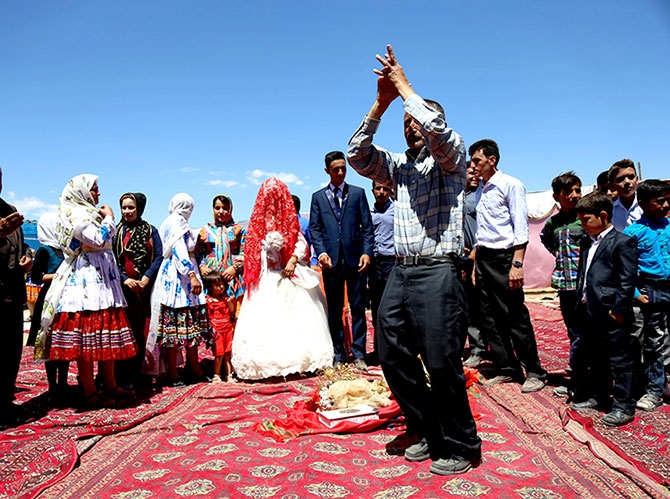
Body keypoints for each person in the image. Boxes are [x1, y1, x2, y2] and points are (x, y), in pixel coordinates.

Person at [347, 44, 481, 476]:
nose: (411, 128)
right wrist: (381, 103)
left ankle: (462, 444)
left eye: (415, 120)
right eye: (405, 124)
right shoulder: (398, 167)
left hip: (438, 271)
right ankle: (426, 427)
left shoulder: (452, 161)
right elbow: (357, 155)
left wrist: (405, 89)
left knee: (441, 360)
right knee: (390, 352)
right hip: (401, 273)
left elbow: (440, 133)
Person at [38, 174, 137, 408]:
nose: (98, 193)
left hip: (102, 281)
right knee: (87, 334)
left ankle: (110, 383)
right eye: (94, 189)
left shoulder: (90, 214)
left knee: (107, 331)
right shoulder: (76, 214)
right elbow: (96, 239)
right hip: (87, 282)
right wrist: (109, 218)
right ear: (81, 192)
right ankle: (89, 389)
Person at [232, 177, 334, 380]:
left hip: (288, 274)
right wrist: (265, 253)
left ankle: (300, 361)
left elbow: (300, 242)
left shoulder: (289, 220)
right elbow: (252, 249)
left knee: (298, 318)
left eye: (276, 196)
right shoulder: (258, 225)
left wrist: (293, 259)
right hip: (266, 278)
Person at [469, 139, 547, 393]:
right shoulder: (480, 190)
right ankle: (507, 367)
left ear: (492, 160)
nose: (473, 166)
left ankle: (534, 371)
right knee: (489, 318)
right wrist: (476, 265)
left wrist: (517, 264)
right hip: (484, 258)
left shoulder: (511, 185)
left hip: (505, 258)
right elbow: (482, 232)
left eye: (477, 160)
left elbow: (520, 228)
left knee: (515, 316)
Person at [571, 192, 638, 426]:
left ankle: (624, 405)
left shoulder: (622, 242)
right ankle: (599, 396)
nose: (583, 225)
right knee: (596, 356)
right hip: (590, 309)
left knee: (620, 360)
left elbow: (627, 280)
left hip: (610, 311)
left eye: (586, 219)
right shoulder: (587, 242)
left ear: (602, 215)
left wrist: (618, 309)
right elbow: (585, 274)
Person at [309, 151, 374, 371]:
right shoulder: (318, 197)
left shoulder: (357, 193)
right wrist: (321, 252)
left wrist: (367, 252)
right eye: (335, 169)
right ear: (327, 170)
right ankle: (338, 353)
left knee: (358, 308)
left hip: (356, 259)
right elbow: (315, 229)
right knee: (335, 309)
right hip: (331, 262)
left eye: (343, 168)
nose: (340, 172)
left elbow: (367, 227)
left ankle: (359, 354)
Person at [150, 193, 209, 385]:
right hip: (178, 279)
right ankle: (175, 373)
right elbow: (179, 250)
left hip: (176, 276)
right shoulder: (177, 222)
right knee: (175, 325)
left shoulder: (172, 221)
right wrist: (191, 274)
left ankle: (192, 368)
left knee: (186, 325)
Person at [622, 180, 670, 411]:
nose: (666, 205)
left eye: (668, 200)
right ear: (642, 203)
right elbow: (624, 268)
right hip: (650, 291)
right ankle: (654, 390)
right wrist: (635, 293)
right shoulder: (633, 233)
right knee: (653, 341)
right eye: (660, 201)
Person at [540, 172, 584, 395]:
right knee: (574, 332)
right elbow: (546, 239)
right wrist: (561, 256)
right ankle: (579, 376)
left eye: (578, 190)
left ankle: (584, 378)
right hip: (566, 286)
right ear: (557, 196)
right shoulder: (553, 223)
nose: (575, 195)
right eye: (569, 192)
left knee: (589, 333)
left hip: (586, 286)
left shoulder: (586, 219)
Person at [112, 192, 163, 389]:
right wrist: (125, 279)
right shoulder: (115, 231)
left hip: (143, 289)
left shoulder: (150, 230)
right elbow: (110, 258)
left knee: (140, 330)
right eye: (124, 207)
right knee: (121, 330)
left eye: (131, 207)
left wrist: (146, 277)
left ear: (139, 208)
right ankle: (117, 375)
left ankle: (136, 373)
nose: (127, 211)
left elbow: (158, 256)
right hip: (120, 288)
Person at [0, 167, 32, 424]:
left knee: (10, 351)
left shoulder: (9, 209)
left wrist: (28, 257)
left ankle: (5, 402)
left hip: (12, 293)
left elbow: (24, 245)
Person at [27, 212, 69, 401]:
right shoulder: (44, 250)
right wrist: (60, 276)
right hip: (50, 299)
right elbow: (36, 277)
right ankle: (53, 386)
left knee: (63, 340)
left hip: (65, 298)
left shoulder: (65, 249)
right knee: (50, 342)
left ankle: (63, 384)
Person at [195, 195, 245, 318]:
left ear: (230, 210)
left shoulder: (239, 231)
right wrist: (202, 267)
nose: (221, 212)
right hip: (210, 279)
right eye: (217, 208)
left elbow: (246, 252)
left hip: (232, 279)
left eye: (225, 208)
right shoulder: (204, 232)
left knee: (232, 314)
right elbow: (197, 253)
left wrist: (235, 267)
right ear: (213, 209)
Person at [368, 179, 395, 366]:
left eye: (385, 188)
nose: (382, 192)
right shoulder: (368, 212)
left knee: (392, 308)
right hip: (374, 262)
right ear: (373, 191)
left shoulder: (397, 211)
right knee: (377, 307)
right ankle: (379, 350)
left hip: (391, 261)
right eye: (378, 188)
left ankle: (394, 350)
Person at [462, 165, 487, 368]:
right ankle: (477, 348)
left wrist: (475, 251)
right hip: (462, 258)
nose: (474, 176)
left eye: (475, 172)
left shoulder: (483, 196)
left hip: (482, 255)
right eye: (470, 172)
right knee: (468, 306)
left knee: (486, 305)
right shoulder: (456, 197)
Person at [202, 271, 236, 383]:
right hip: (217, 331)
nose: (221, 287)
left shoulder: (225, 298)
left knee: (228, 353)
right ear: (210, 288)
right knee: (219, 353)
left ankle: (229, 374)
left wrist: (230, 302)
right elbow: (205, 315)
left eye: (222, 284)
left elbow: (232, 311)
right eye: (217, 285)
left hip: (227, 328)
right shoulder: (208, 300)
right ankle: (217, 374)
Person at [609, 159, 642, 231]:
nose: (627, 182)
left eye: (631, 177)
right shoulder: (610, 211)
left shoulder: (647, 206)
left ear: (636, 179)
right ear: (612, 185)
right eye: (620, 179)